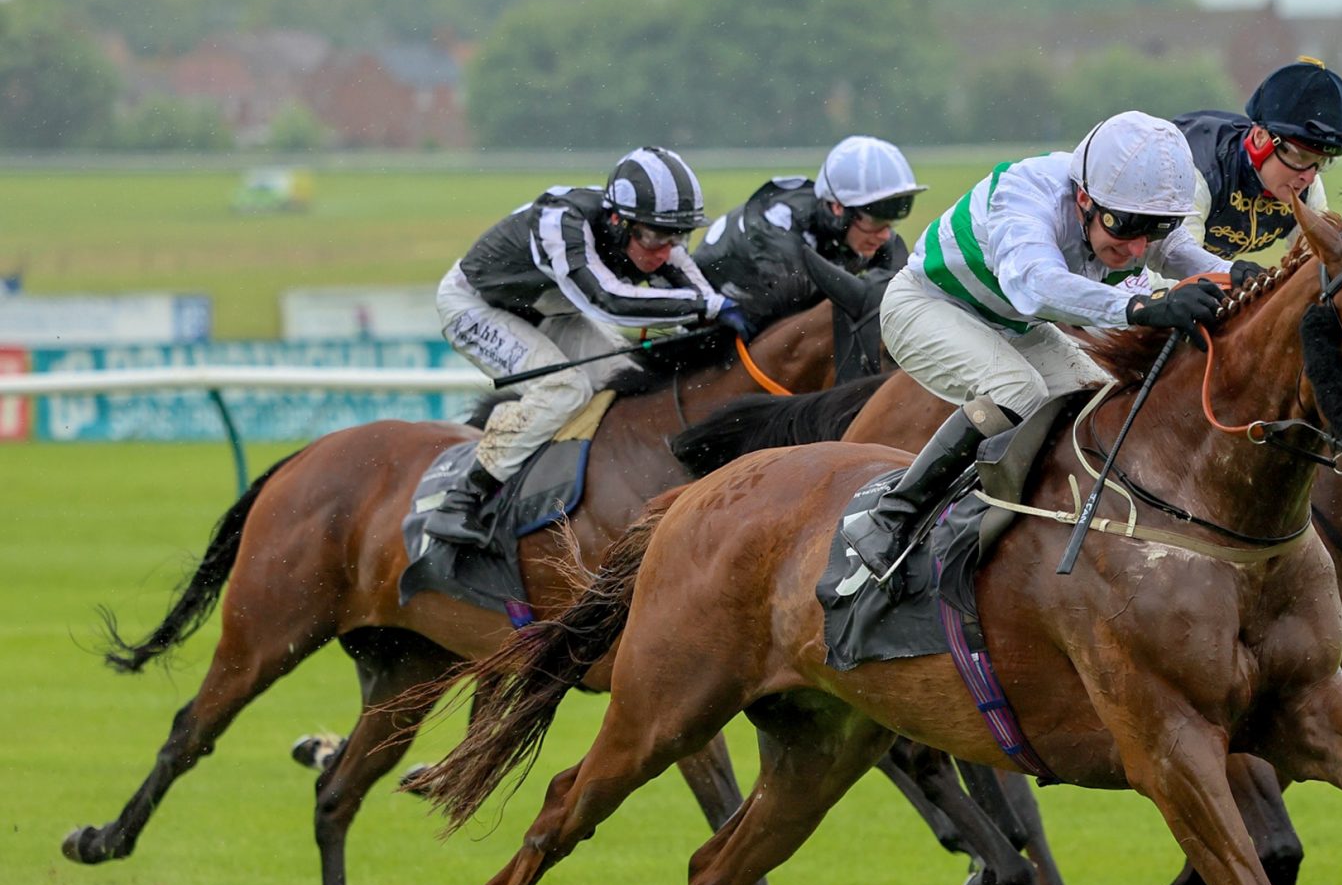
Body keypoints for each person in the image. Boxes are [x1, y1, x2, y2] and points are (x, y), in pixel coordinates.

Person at [840, 111, 1236, 579]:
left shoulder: (1121, 208)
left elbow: (1173, 253)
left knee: (1098, 398)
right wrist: (1143, 306)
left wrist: (1236, 274)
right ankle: (890, 517)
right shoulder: (1025, 194)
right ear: (1084, 199)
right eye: (1127, 228)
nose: (1136, 249)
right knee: (1017, 389)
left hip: (1010, 323)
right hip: (926, 305)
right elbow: (1037, 286)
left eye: (1153, 229)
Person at [425, 145, 753, 547]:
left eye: (677, 236)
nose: (665, 251)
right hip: (475, 306)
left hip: (549, 309)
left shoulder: (652, 237)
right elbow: (608, 301)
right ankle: (462, 499)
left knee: (622, 377)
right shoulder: (562, 224)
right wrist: (709, 307)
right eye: (655, 236)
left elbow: (700, 295)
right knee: (564, 389)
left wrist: (721, 313)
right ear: (618, 221)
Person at [694, 134, 925, 334]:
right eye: (875, 221)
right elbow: (804, 325)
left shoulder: (860, 230)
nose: (884, 236)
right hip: (705, 313)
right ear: (838, 208)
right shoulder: (780, 233)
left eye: (890, 222)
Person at [1174, 56, 1342, 261]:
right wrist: (1237, 276)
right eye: (1300, 156)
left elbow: (1322, 260)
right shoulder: (1196, 172)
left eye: (1322, 161)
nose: (1308, 178)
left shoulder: (1306, 184)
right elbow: (1176, 262)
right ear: (1260, 138)